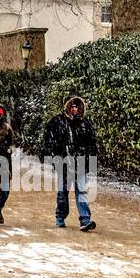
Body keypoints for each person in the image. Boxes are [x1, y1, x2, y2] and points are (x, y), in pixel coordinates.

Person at [43, 94, 97, 231]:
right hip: (64, 164)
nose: (75, 109)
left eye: (77, 107)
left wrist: (91, 162)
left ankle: (85, 219)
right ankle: (60, 217)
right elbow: (48, 140)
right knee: (63, 192)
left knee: (82, 191)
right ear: (68, 107)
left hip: (81, 164)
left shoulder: (86, 124)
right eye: (72, 106)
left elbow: (92, 145)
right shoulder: (57, 122)